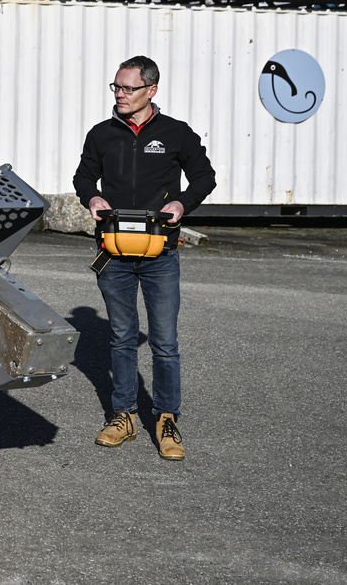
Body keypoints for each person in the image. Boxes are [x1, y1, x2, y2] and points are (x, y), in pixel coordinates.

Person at [72, 55, 215, 461]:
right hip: (113, 252)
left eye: (128, 88)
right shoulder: (102, 134)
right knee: (120, 337)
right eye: (116, 87)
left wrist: (183, 204)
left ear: (151, 90)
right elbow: (83, 176)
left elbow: (205, 175)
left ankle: (167, 418)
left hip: (160, 253)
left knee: (165, 342)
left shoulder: (176, 133)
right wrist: (92, 196)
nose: (119, 94)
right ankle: (124, 416)